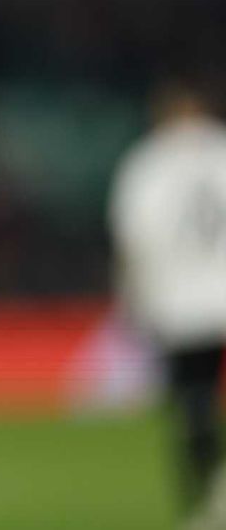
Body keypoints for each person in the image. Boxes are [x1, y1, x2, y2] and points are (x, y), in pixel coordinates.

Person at [109, 73, 226, 517]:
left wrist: (135, 300)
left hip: (180, 302)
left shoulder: (149, 162)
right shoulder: (222, 151)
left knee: (192, 399)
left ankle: (202, 495)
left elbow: (136, 237)